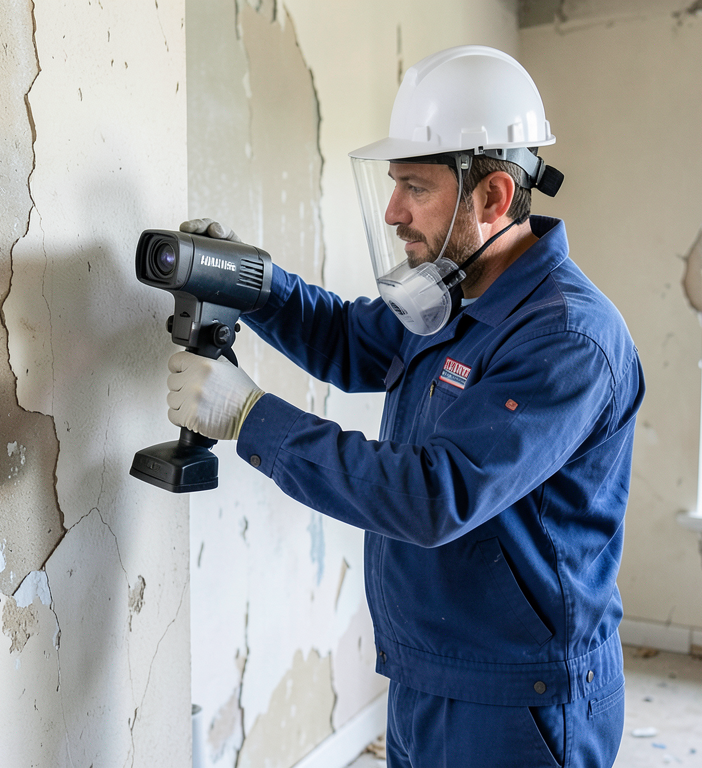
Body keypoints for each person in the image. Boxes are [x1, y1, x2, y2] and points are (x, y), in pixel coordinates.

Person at [166, 45, 645, 767]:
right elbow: (350, 341)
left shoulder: (568, 340)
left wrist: (249, 417)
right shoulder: (457, 293)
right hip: (431, 671)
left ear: (493, 198)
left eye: (415, 187)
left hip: (521, 698)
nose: (393, 212)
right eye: (393, 185)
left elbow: (431, 495)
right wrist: (253, 284)